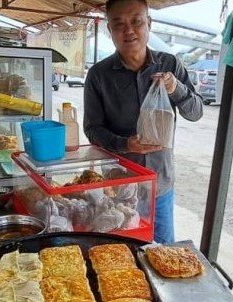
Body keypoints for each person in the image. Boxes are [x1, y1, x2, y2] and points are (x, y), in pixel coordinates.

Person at [83, 0, 203, 244]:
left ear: (149, 23)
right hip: (119, 186)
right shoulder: (99, 75)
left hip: (160, 184)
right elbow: (92, 129)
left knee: (163, 250)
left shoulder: (170, 64)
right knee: (121, 253)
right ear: (109, 30)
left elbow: (195, 112)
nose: (129, 31)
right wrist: (126, 143)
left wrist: (175, 88)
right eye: (119, 24)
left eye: (136, 21)